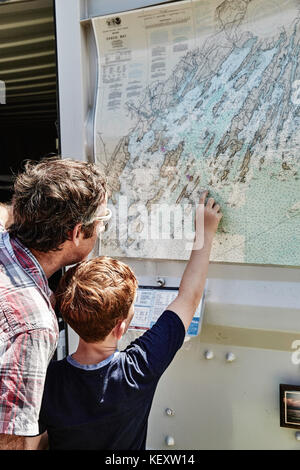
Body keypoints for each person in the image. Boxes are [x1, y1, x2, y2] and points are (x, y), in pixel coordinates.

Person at [37, 190, 222, 450]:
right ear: (121, 326)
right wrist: (206, 232)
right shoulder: (136, 370)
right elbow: (188, 298)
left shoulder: (48, 379)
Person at [0, 157, 108, 450]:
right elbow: (7, 439)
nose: (100, 230)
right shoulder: (32, 323)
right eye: (101, 221)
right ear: (75, 233)